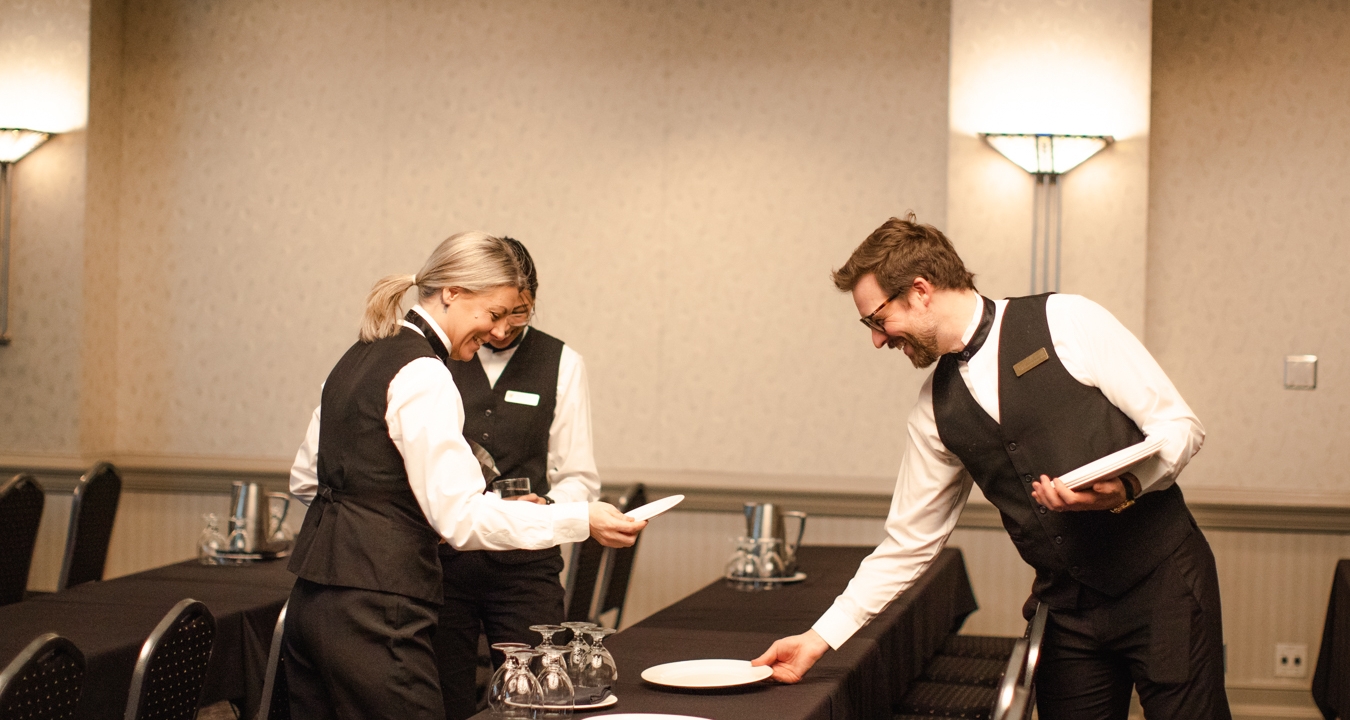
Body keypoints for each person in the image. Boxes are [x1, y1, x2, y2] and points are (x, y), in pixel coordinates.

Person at [752, 215, 1229, 719]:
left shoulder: (1067, 320)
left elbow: (1180, 427)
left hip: (1164, 586)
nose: (877, 339)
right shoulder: (933, 409)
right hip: (1066, 613)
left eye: (876, 319)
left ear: (920, 291)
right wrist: (819, 638)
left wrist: (1130, 484)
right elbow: (908, 543)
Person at [283, 231, 646, 720]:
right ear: (452, 292)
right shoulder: (425, 372)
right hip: (382, 606)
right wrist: (581, 519)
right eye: (492, 314)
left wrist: (378, 522)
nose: (495, 332)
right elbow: (460, 519)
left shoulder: (357, 355)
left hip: (312, 600)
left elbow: (306, 479)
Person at [433, 237, 602, 720]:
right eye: (499, 313)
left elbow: (578, 476)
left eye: (521, 314)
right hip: (445, 562)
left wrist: (544, 511)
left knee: (539, 699)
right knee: (445, 697)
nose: (504, 328)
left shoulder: (563, 363)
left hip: (526, 567)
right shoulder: (437, 359)